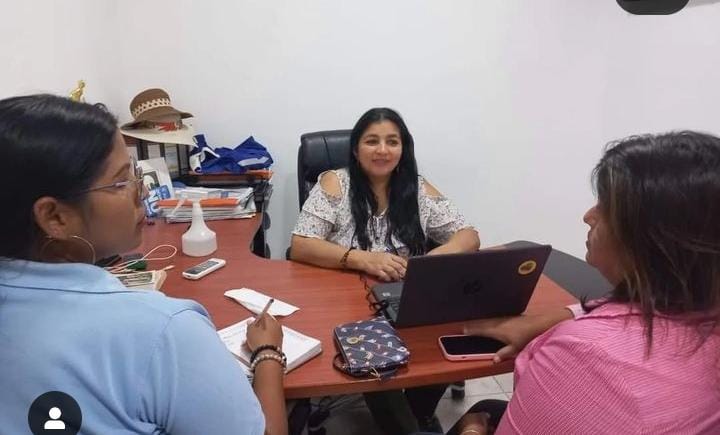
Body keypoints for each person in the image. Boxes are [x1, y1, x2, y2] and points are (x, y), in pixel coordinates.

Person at [0, 94, 287, 435]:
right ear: (55, 217)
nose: (143, 191)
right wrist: (268, 354)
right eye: (122, 181)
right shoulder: (163, 330)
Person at [453, 131, 720, 434]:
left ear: (651, 240)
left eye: (605, 207)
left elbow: (466, 234)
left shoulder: (587, 358)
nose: (588, 216)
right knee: (488, 407)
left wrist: (471, 431)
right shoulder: (698, 302)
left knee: (474, 418)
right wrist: (555, 318)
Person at [290, 107, 480, 434]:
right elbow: (301, 245)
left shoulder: (417, 188)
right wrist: (363, 259)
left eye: (392, 141)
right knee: (376, 358)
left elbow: (469, 235)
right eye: (372, 141)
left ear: (403, 148)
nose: (382, 150)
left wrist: (432, 260)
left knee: (446, 337)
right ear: (355, 149)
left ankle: (419, 414)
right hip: (346, 300)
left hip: (404, 293)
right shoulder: (336, 183)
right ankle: (408, 427)